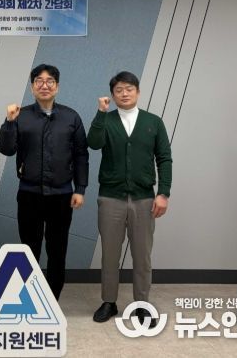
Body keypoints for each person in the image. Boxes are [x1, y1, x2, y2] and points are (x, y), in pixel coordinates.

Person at [0, 64, 88, 300]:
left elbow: (81, 155)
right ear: (32, 87)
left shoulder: (71, 117)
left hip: (61, 195)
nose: (44, 85)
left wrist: (80, 189)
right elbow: (6, 149)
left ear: (57, 87)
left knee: (57, 249)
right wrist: (9, 122)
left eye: (50, 81)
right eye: (39, 81)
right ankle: (30, 297)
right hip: (29, 194)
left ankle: (52, 298)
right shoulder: (21, 115)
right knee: (29, 249)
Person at [87, 71, 172, 326]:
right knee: (110, 255)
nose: (124, 93)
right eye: (119, 90)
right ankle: (109, 302)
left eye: (129, 89)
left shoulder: (153, 122)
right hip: (110, 197)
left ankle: (142, 304)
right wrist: (101, 113)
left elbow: (164, 159)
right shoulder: (107, 120)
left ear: (138, 92)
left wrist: (163, 193)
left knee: (142, 256)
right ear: (112, 95)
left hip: (144, 199)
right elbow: (93, 143)